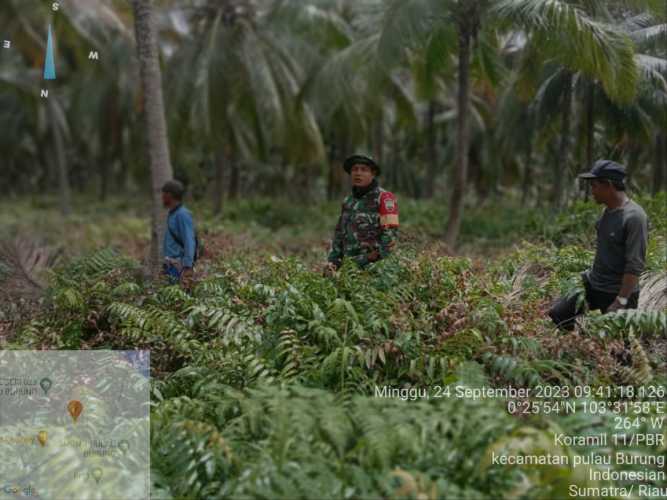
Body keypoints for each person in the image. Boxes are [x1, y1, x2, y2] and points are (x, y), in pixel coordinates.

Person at [548, 160, 649, 330]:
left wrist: (621, 300)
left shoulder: (634, 218)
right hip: (593, 283)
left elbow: (634, 266)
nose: (592, 191)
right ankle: (582, 348)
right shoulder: (607, 210)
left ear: (608, 185)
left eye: (594, 186)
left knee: (620, 350)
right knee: (559, 313)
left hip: (617, 292)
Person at [325, 154, 399, 274]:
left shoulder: (384, 198)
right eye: (355, 169)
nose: (358, 173)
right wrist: (333, 262)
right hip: (348, 269)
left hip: (374, 269)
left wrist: (369, 259)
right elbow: (339, 234)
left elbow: (390, 237)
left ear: (373, 173)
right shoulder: (348, 201)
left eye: (364, 170)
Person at [161, 180, 197, 286]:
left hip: (179, 266)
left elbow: (189, 241)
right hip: (170, 264)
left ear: (169, 195)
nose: (162, 197)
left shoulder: (182, 214)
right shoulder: (173, 213)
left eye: (163, 193)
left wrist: (188, 266)